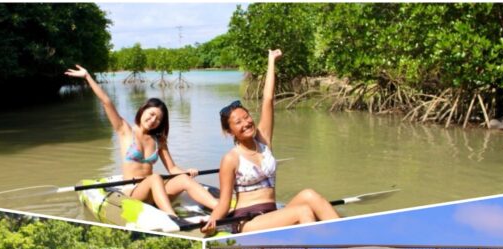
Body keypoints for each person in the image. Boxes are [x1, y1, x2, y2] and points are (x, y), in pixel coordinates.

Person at [202, 49, 339, 235]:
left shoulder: (263, 140)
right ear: (229, 131)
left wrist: (271, 60)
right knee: (303, 211)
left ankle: (347, 237)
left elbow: (268, 99)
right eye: (238, 122)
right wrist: (212, 222)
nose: (246, 123)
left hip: (272, 213)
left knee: (310, 195)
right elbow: (224, 203)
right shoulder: (230, 159)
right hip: (248, 220)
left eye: (247, 117)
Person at [65, 65, 218, 217]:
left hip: (156, 190)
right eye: (151, 114)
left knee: (182, 179)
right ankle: (172, 217)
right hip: (134, 192)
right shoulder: (125, 130)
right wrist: (87, 77)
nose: (153, 120)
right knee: (155, 177)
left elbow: (172, 169)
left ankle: (221, 208)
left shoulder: (159, 140)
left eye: (158, 119)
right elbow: (106, 102)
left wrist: (187, 171)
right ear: (143, 110)